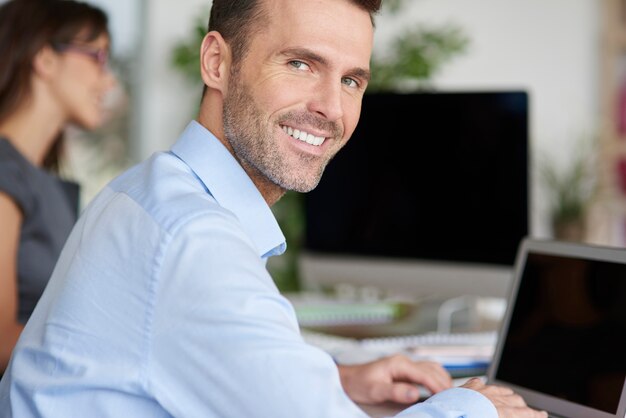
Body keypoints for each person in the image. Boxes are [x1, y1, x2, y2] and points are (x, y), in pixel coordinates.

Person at [0, 0, 546, 417]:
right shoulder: (193, 239)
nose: (331, 108)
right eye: (301, 64)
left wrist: (337, 379)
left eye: (351, 80)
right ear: (217, 61)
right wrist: (480, 408)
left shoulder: (148, 190)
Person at [0, 0, 115, 373]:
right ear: (45, 58)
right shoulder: (5, 173)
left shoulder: (38, 182)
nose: (108, 80)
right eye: (97, 56)